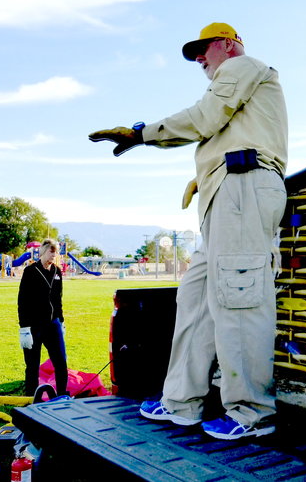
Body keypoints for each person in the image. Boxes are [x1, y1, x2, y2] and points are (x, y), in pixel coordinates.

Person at [89, 22, 288, 440]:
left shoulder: (243, 65)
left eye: (205, 49)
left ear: (229, 45)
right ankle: (181, 401)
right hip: (228, 189)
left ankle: (253, 413)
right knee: (195, 297)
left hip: (244, 186)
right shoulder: (238, 82)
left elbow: (205, 118)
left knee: (240, 296)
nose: (200, 58)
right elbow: (223, 128)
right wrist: (209, 176)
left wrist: (141, 133)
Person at [18, 238, 68, 396]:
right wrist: (24, 328)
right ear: (42, 252)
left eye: (56, 252)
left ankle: (61, 395)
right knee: (32, 365)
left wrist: (61, 320)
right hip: (34, 326)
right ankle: (31, 398)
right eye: (51, 252)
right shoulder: (30, 271)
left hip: (53, 325)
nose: (54, 255)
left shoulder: (57, 271)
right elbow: (22, 301)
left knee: (61, 362)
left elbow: (58, 299)